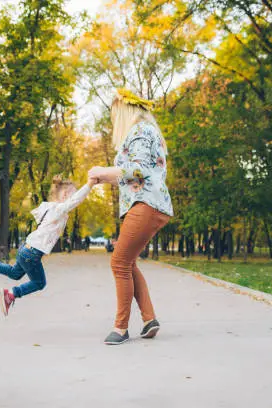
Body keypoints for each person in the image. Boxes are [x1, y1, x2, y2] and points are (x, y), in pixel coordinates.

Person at [89, 88, 173, 345]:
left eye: (116, 115)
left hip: (145, 205)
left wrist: (103, 170)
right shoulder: (148, 131)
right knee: (128, 262)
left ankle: (121, 327)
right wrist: (106, 177)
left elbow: (136, 170)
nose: (115, 122)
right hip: (149, 203)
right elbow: (136, 175)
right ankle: (149, 319)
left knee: (119, 263)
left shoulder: (139, 131)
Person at [0, 175, 97, 317]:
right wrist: (90, 184)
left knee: (15, 273)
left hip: (26, 249)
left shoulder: (50, 209)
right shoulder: (58, 209)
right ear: (65, 195)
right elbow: (75, 200)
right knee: (39, 282)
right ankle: (10, 295)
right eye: (73, 194)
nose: (74, 199)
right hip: (32, 253)